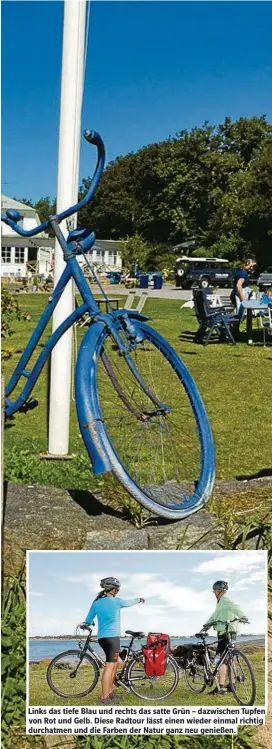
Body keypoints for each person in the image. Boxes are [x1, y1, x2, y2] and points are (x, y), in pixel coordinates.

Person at [84, 577, 145, 705]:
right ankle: (104, 698)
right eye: (117, 589)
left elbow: (88, 620)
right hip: (112, 638)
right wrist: (139, 599)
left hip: (102, 638)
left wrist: (88, 624)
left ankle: (110, 692)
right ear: (114, 590)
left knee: (115, 663)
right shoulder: (116, 601)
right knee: (109, 667)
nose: (118, 591)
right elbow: (129, 602)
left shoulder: (96, 603)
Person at [202, 580, 248, 696]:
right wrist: (206, 625)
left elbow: (235, 607)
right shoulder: (221, 602)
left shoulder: (225, 599)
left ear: (219, 590)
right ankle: (232, 685)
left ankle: (221, 686)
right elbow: (215, 615)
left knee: (220, 659)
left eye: (215, 591)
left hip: (225, 632)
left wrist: (243, 616)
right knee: (229, 658)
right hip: (231, 632)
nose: (214, 593)